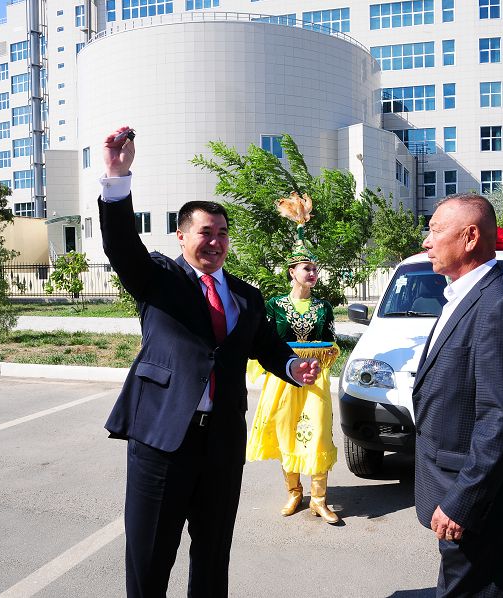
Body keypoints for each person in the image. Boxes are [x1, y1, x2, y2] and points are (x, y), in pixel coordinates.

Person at [97, 126, 321, 597]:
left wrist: (291, 366)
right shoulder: (159, 279)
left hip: (221, 443)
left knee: (213, 554)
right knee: (150, 558)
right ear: (182, 236)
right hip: (163, 440)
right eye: (205, 233)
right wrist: (117, 178)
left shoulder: (245, 296)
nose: (215, 242)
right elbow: (121, 245)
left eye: (222, 234)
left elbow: (265, 344)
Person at [413, 193, 503, 597]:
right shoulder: (463, 294)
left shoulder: (499, 303)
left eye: (435, 231)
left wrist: (463, 501)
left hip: (477, 501)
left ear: (469, 238)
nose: (426, 242)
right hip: (451, 482)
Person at [245, 242, 341, 524]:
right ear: (292, 272)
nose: (312, 273)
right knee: (286, 432)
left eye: (315, 269)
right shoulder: (275, 305)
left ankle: (319, 500)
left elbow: (331, 342)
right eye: (306, 268)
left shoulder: (323, 307)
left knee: (319, 434)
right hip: (283, 379)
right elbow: (264, 343)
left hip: (314, 377)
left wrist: (328, 354)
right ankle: (294, 492)